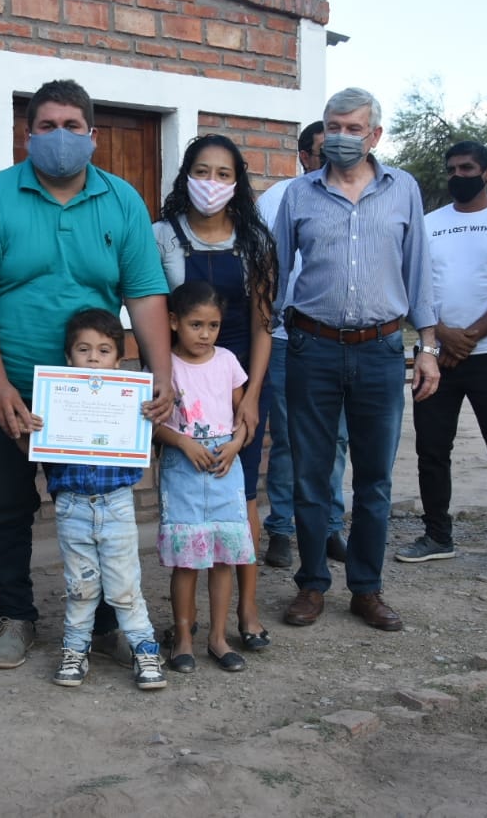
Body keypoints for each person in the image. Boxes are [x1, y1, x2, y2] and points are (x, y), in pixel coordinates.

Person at [0, 79, 173, 670]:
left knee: (100, 503)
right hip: (2, 385)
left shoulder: (122, 200)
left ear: (92, 135)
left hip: (91, 391)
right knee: (3, 507)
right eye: (47, 126)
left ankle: (104, 623)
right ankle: (16, 617)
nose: (60, 137)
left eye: (72, 126)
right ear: (28, 135)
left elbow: (145, 291)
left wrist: (162, 372)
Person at [272, 87, 439, 632]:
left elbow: (419, 270)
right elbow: (275, 272)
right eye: (333, 127)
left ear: (375, 135)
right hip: (311, 347)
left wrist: (428, 348)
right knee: (311, 474)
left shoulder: (403, 189)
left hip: (381, 349)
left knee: (375, 479)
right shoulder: (299, 194)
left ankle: (367, 588)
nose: (340, 137)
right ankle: (312, 584)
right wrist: (261, 339)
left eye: (352, 128)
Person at [153, 134, 276, 653]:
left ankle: (246, 610)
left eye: (224, 174)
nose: (212, 183)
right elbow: (151, 311)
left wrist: (251, 396)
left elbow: (265, 323)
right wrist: (161, 379)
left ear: (237, 182)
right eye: (202, 171)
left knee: (241, 497)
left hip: (237, 376)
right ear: (186, 176)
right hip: (180, 380)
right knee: (186, 500)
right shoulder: (161, 236)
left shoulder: (256, 242)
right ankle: (186, 624)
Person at [397, 141, 487, 576]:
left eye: (467, 168)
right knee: (432, 450)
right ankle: (437, 535)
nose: (458, 176)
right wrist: (442, 336)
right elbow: (409, 287)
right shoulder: (429, 224)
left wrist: (469, 337)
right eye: (452, 169)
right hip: (434, 356)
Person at [25, 309, 166, 690]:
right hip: (72, 506)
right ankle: (75, 650)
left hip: (116, 503)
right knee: (80, 587)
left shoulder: (131, 401)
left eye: (104, 350)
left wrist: (148, 418)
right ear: (68, 357)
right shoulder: (54, 401)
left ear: (118, 360)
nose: (92, 358)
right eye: (83, 349)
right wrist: (34, 429)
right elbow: (38, 448)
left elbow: (147, 439)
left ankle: (145, 650)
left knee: (125, 585)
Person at [257, 122, 350, 568]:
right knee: (290, 439)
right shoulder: (276, 198)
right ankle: (281, 527)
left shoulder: (353, 195)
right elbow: (259, 267)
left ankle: (330, 526)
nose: (335, 158)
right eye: (324, 151)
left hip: (337, 340)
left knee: (337, 438)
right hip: (284, 339)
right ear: (304, 157)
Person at [155, 281, 254, 673]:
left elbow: (242, 416)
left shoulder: (227, 361)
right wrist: (182, 442)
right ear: (174, 321)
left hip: (225, 469)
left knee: (223, 559)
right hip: (183, 469)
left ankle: (218, 638)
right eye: (196, 325)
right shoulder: (165, 366)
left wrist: (236, 444)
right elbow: (153, 426)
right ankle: (183, 637)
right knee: (186, 561)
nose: (205, 334)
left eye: (213, 326)